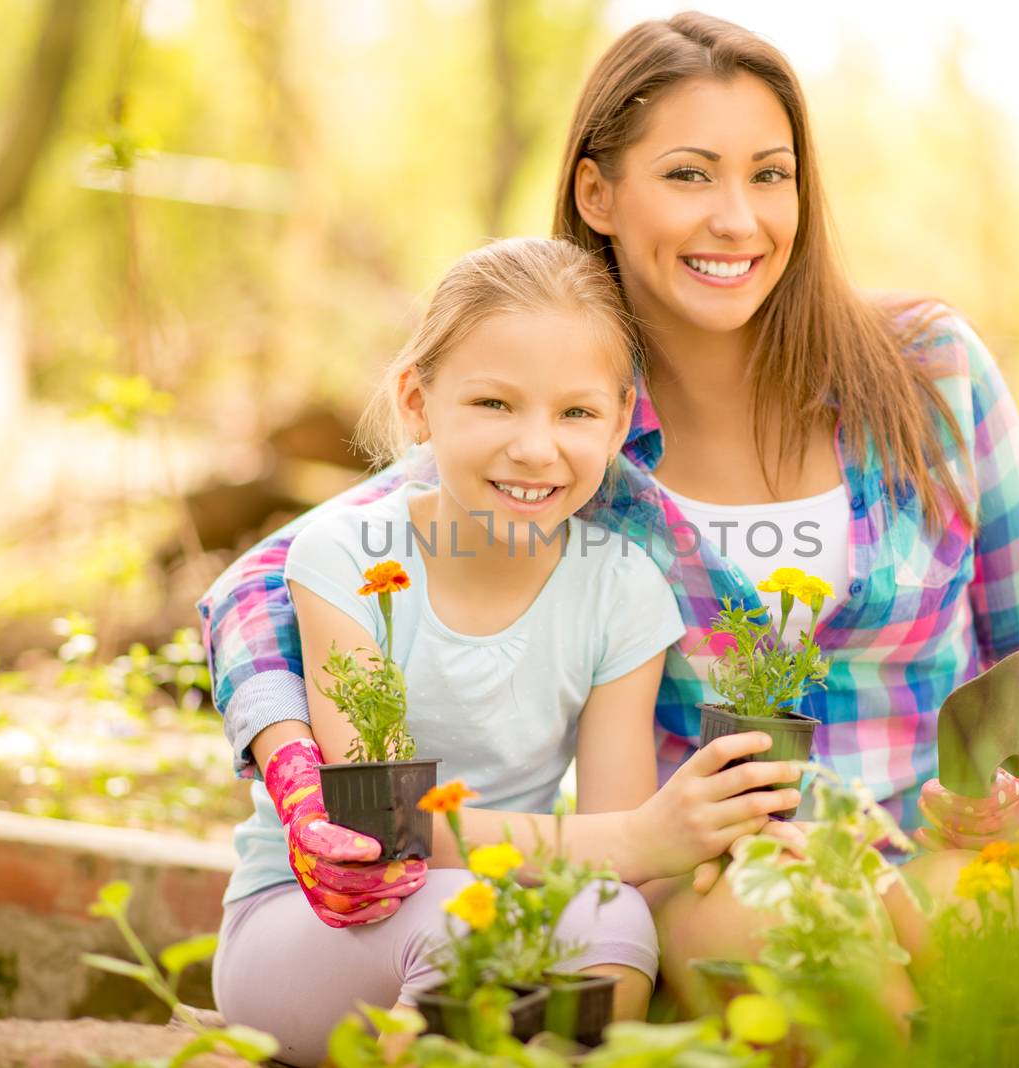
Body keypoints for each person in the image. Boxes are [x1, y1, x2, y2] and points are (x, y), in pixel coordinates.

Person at [203, 9, 1019, 1040]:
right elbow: (274, 581)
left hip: (936, 843)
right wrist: (296, 767)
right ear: (598, 192)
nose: (737, 218)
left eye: (770, 174)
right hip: (719, 871)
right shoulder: (572, 432)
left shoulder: (928, 372)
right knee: (811, 958)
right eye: (688, 175)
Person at [210, 236, 806, 1065]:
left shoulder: (622, 589)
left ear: (622, 418)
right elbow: (383, 829)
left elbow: (613, 838)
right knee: (467, 928)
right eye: (494, 405)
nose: (536, 447)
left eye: (576, 412)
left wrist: (717, 838)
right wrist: (639, 838)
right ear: (419, 403)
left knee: (615, 920)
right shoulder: (347, 555)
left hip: (497, 898)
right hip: (319, 924)